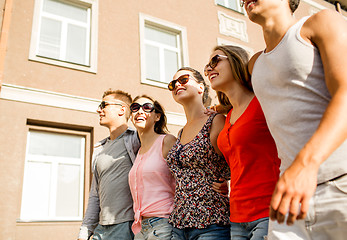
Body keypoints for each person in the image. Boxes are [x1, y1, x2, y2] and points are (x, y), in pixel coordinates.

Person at [244, 0, 347, 238]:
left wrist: (305, 165)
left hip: (340, 183)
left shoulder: (321, 22)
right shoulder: (255, 64)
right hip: (289, 199)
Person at [204, 45, 281, 240]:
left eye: (215, 61)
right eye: (207, 66)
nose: (209, 69)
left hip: (269, 210)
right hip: (237, 216)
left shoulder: (263, 102)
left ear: (236, 61)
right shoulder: (227, 115)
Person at [166, 67, 231, 240]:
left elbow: (236, 161)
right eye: (173, 84)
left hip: (211, 222)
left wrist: (228, 185)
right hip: (179, 223)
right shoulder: (180, 133)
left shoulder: (215, 121)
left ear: (201, 87)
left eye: (184, 79)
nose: (177, 85)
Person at [78, 89, 140, 240]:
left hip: (125, 227)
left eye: (103, 105)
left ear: (122, 109)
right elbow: (95, 194)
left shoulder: (136, 139)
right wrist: (85, 231)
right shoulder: (99, 149)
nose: (99, 110)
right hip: (101, 228)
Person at [128, 95, 176, 239]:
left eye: (147, 107)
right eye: (135, 108)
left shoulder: (167, 141)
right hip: (140, 228)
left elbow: (184, 179)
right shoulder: (137, 152)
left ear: (157, 117)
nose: (140, 111)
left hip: (163, 224)